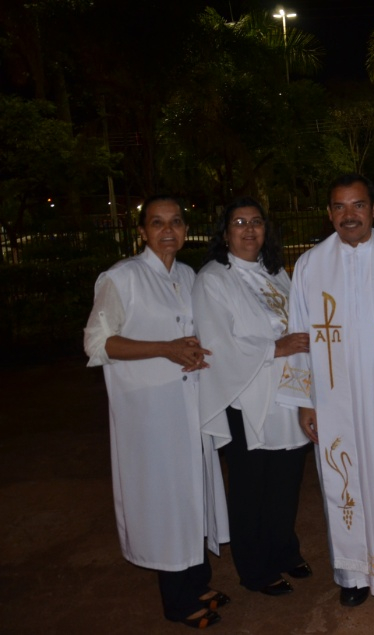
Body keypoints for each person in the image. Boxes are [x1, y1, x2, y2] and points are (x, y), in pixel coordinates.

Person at [277, 174, 374, 608]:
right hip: (336, 397)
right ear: (329, 213)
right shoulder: (310, 266)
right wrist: (305, 401)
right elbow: (299, 334)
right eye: (340, 207)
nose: (350, 215)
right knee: (344, 479)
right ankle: (353, 573)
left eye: (358, 205)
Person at [83, 195, 229, 629]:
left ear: (186, 229)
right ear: (143, 231)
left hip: (188, 404)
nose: (169, 230)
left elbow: (191, 335)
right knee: (165, 501)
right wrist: (164, 350)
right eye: (157, 223)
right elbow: (98, 343)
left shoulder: (187, 275)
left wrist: (194, 354)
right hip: (150, 412)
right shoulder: (121, 278)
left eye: (177, 222)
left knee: (192, 494)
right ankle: (177, 600)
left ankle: (197, 579)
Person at [192, 197, 313, 598]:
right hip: (245, 397)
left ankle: (283, 549)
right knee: (250, 487)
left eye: (256, 222)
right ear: (224, 233)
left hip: (287, 393)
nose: (249, 230)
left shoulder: (275, 272)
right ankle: (253, 567)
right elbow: (216, 343)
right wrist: (274, 349)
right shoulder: (213, 278)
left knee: (285, 481)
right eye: (239, 223)